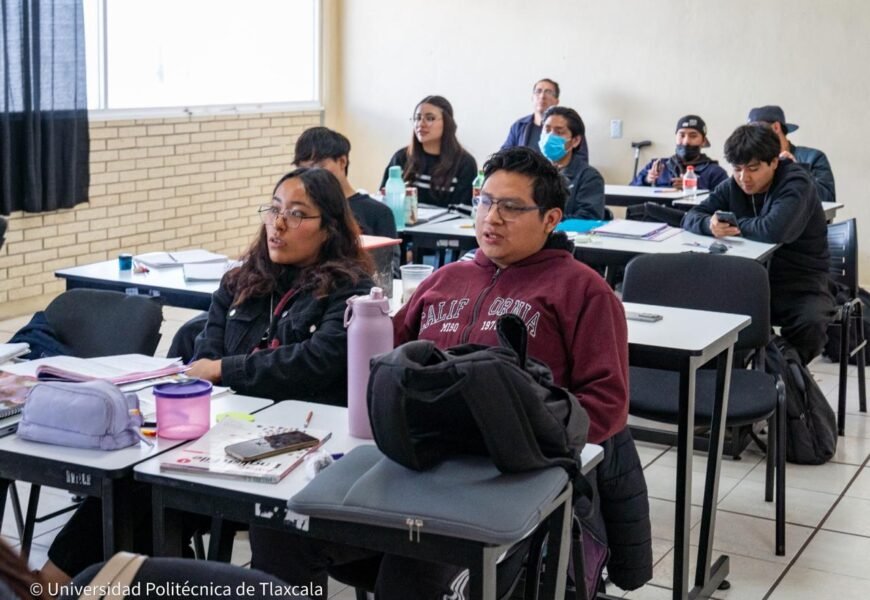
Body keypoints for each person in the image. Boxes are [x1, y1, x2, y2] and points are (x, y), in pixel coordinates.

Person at [250, 148, 652, 599]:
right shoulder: (445, 280)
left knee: (414, 566)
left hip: (502, 476)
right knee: (280, 528)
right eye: (485, 202)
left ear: (551, 218)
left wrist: (528, 436)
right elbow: (383, 359)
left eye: (511, 207)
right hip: (414, 462)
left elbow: (607, 406)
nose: (492, 218)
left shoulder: (583, 291)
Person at [39, 168, 375, 590]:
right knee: (129, 486)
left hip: (299, 447)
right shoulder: (241, 281)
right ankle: (54, 585)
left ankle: (55, 585)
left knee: (147, 502)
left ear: (328, 228)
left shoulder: (349, 288)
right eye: (273, 210)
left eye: (296, 214)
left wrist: (225, 370)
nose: (278, 224)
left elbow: (315, 360)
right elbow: (205, 353)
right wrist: (215, 370)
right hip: (221, 439)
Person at [682, 124, 835, 364]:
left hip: (801, 280)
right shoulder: (733, 185)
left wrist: (734, 222)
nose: (744, 178)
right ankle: (767, 368)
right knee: (711, 312)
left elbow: (774, 230)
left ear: (774, 162)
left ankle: (786, 371)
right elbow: (691, 216)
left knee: (810, 324)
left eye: (753, 169)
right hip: (748, 279)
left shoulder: (796, 182)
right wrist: (708, 224)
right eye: (737, 169)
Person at [293, 126, 397, 240]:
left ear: (342, 162)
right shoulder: (299, 210)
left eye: (318, 167)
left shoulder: (377, 213)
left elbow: (388, 251)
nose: (310, 176)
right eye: (303, 170)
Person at [380, 95, 477, 208]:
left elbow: (464, 211)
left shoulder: (465, 164)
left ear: (447, 123)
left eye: (430, 118)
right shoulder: (401, 158)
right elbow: (383, 201)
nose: (421, 124)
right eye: (417, 118)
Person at [747, 105, 836, 204]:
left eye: (758, 130)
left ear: (776, 127)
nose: (754, 138)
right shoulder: (754, 165)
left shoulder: (813, 157)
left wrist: (798, 171)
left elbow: (828, 199)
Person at [501, 78, 590, 163]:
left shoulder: (570, 125)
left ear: (556, 101)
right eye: (538, 91)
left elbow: (581, 160)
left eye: (548, 92)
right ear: (532, 97)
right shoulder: (519, 126)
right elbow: (504, 156)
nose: (542, 96)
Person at [630, 115, 728, 191]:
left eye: (693, 136)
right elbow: (630, 191)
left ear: (703, 141)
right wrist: (646, 180)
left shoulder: (715, 172)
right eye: (682, 135)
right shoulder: (657, 165)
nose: (686, 141)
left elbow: (726, 202)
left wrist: (696, 186)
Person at [540, 106, 605, 219]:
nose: (550, 136)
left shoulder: (589, 177)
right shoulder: (532, 172)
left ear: (575, 141)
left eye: (559, 132)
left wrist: (548, 221)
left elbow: (588, 219)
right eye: (547, 130)